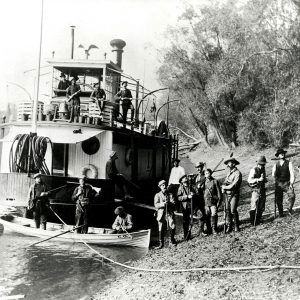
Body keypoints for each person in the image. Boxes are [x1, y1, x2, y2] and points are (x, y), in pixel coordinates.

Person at [272, 148, 295, 217]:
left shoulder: (289, 163)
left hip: (287, 183)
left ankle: (289, 209)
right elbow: (273, 174)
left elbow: (292, 174)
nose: (282, 154)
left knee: (292, 196)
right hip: (279, 184)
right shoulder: (276, 164)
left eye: (283, 153)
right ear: (278, 156)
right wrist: (276, 181)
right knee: (279, 200)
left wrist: (291, 183)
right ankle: (281, 213)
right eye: (280, 153)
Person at [221, 157, 242, 233]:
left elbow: (234, 185)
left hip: (234, 194)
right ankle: (229, 226)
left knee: (233, 210)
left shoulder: (237, 173)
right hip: (227, 195)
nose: (229, 164)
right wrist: (223, 187)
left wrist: (225, 187)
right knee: (227, 210)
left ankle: (236, 226)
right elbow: (225, 182)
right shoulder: (229, 173)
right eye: (228, 163)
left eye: (231, 162)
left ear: (234, 163)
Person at [154, 180, 176, 249]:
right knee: (161, 227)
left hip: (169, 212)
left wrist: (169, 203)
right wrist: (162, 204)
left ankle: (172, 240)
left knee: (172, 225)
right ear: (160, 187)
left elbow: (174, 203)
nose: (164, 186)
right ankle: (161, 243)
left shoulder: (170, 194)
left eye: (165, 185)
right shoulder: (157, 195)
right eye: (162, 185)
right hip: (161, 213)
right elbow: (156, 205)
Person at [248, 156, 267, 225]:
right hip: (255, 190)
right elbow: (249, 180)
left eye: (263, 164)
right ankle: (253, 222)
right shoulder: (253, 169)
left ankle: (258, 220)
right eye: (261, 164)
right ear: (258, 163)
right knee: (254, 205)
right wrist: (258, 180)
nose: (262, 166)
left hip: (262, 189)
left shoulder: (263, 169)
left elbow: (264, 179)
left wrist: (264, 179)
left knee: (261, 206)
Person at [203, 168, 222, 234]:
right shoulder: (203, 182)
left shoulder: (215, 181)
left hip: (213, 201)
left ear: (211, 173)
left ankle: (214, 229)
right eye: (205, 173)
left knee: (214, 214)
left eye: (208, 173)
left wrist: (219, 201)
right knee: (207, 215)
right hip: (206, 201)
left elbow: (219, 192)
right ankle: (209, 229)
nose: (207, 175)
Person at [177, 175, 197, 240]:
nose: (185, 179)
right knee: (185, 221)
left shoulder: (190, 186)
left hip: (191, 206)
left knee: (190, 220)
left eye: (186, 178)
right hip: (184, 207)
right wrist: (187, 197)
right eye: (184, 178)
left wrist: (193, 194)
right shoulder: (180, 188)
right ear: (182, 181)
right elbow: (179, 198)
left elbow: (195, 193)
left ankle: (189, 234)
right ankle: (186, 235)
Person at [194, 162, 208, 236]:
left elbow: (208, 186)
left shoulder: (205, 176)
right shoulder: (196, 177)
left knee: (205, 214)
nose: (198, 169)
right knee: (200, 214)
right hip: (197, 198)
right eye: (197, 168)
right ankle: (201, 230)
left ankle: (205, 230)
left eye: (199, 167)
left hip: (204, 198)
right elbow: (194, 186)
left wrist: (202, 187)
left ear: (202, 167)